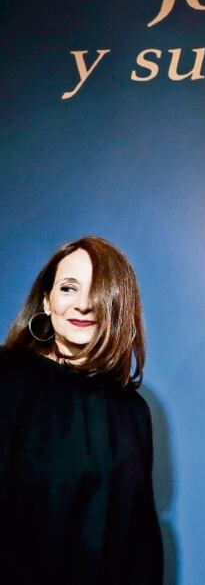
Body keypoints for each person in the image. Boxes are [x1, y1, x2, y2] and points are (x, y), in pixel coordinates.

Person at [0, 237, 163, 584]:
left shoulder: (133, 411)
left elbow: (140, 542)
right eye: (68, 288)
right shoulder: (8, 379)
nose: (83, 305)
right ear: (46, 301)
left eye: (98, 291)